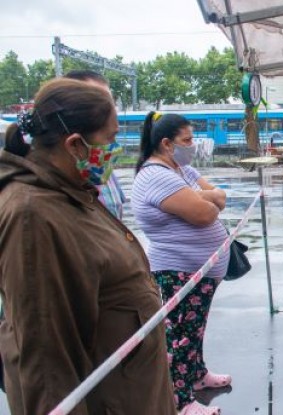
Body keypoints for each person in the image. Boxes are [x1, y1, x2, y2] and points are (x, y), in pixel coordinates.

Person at [0, 78, 176, 414]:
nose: (116, 147)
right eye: (110, 138)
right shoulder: (33, 217)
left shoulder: (68, 193)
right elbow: (47, 363)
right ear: (76, 145)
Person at [131, 111, 231, 415]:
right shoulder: (156, 175)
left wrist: (206, 197)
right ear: (166, 143)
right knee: (179, 336)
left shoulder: (180, 169)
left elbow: (220, 197)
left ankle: (197, 376)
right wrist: (206, 199)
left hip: (199, 272)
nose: (191, 145)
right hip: (178, 271)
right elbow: (205, 214)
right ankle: (181, 400)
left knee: (194, 329)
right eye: (186, 140)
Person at [64, 70, 127, 220]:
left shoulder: (99, 167)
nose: (106, 109)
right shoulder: (39, 202)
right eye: (94, 100)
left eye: (108, 102)